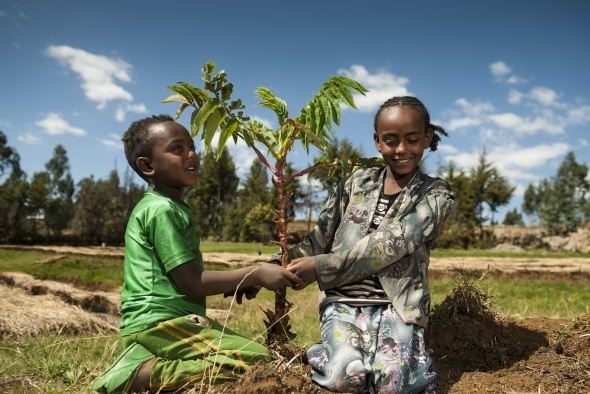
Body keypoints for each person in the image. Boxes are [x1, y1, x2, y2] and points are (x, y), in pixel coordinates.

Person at [91, 115, 302, 394]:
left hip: (169, 323)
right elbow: (191, 282)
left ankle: (145, 358)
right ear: (147, 166)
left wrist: (238, 282)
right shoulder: (161, 210)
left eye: (192, 146)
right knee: (254, 360)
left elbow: (186, 279)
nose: (192, 154)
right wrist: (256, 272)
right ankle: (138, 375)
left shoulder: (169, 207)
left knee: (252, 356)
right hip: (160, 323)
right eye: (177, 149)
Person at [284, 96, 454, 393]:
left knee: (392, 382)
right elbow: (319, 237)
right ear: (377, 142)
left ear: (427, 138)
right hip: (343, 302)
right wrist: (274, 265)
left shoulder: (435, 194)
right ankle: (329, 354)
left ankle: (415, 362)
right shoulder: (356, 184)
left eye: (412, 139)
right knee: (346, 377)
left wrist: (322, 267)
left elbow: (392, 243)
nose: (401, 149)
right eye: (391, 140)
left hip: (397, 306)